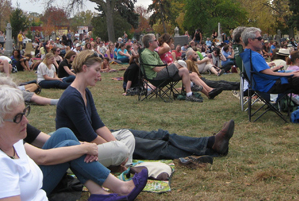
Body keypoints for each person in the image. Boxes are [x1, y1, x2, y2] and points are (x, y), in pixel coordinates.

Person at [0, 82, 148, 201]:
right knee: (69, 146)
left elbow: (43, 152)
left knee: (64, 134)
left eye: (25, 113)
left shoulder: (8, 139)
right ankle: (116, 189)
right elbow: (43, 159)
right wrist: (82, 149)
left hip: (36, 187)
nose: (25, 121)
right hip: (37, 188)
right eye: (18, 117)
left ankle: (101, 192)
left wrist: (81, 147)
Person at [56, 50, 236, 163]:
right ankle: (208, 149)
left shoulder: (84, 93)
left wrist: (114, 142)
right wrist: (118, 149)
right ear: (85, 68)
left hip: (94, 143)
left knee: (159, 135)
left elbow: (99, 126)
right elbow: (89, 136)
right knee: (154, 146)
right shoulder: (72, 97)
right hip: (84, 152)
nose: (99, 75)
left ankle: (210, 142)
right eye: (97, 70)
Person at [241, 27, 299, 122]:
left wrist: (292, 73)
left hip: (264, 85)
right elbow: (268, 73)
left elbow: (264, 73)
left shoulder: (247, 54)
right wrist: (291, 74)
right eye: (259, 38)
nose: (262, 40)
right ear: (250, 40)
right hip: (269, 86)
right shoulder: (254, 55)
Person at [141, 34, 202, 103]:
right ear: (150, 43)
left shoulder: (154, 53)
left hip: (162, 74)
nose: (157, 41)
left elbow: (162, 65)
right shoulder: (146, 53)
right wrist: (169, 66)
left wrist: (168, 66)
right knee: (180, 62)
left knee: (184, 71)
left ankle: (189, 95)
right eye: (155, 40)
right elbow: (156, 69)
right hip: (155, 78)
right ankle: (191, 84)